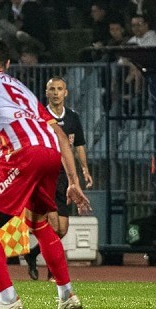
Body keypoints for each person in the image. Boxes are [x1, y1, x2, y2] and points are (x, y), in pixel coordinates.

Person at [0, 37, 90, 309]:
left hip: (21, 152)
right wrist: (73, 180)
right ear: (7, 63)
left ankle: (8, 299)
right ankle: (67, 294)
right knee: (38, 222)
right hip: (50, 153)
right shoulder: (22, 89)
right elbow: (60, 134)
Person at [42, 76, 94, 238]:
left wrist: (85, 169)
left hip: (64, 176)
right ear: (46, 93)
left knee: (62, 229)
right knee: (52, 223)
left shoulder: (72, 117)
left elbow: (79, 145)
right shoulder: (41, 116)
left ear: (66, 93)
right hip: (46, 174)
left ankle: (36, 250)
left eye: (59, 89)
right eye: (52, 89)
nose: (56, 93)